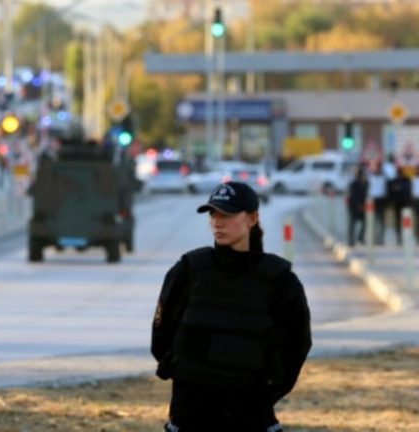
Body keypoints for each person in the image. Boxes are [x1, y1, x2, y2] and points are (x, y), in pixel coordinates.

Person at [150, 181, 312, 431]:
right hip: (191, 410)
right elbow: (161, 337)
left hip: (251, 412)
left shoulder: (279, 281)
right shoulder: (189, 270)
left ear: (252, 218)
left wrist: (268, 392)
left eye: (227, 214)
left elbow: (297, 345)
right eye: (213, 214)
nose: (217, 222)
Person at [388, 167, 412, 245]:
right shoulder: (394, 181)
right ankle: (400, 237)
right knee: (399, 220)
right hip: (398, 203)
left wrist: (399, 189)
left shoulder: (406, 180)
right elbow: (392, 192)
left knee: (405, 221)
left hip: (405, 203)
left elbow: (408, 191)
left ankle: (404, 237)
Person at [347, 166, 369, 247]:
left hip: (362, 205)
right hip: (354, 206)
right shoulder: (354, 183)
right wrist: (358, 205)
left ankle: (361, 237)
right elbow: (353, 195)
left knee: (365, 222)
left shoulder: (365, 183)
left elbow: (366, 192)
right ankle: (351, 240)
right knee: (352, 223)